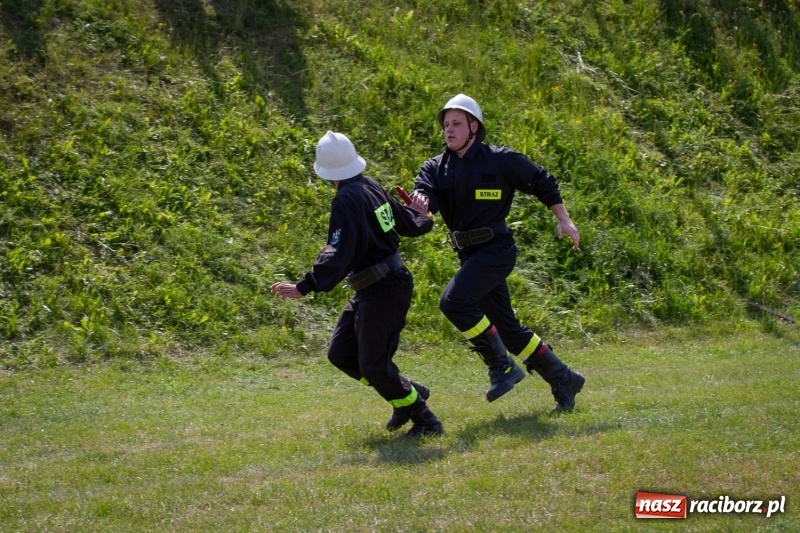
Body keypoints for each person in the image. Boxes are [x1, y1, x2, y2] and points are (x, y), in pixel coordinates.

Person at [409, 94, 585, 412]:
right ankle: (563, 377)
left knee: (453, 302)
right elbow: (425, 195)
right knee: (508, 330)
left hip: (497, 250)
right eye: (446, 124)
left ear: (473, 127)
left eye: (456, 124)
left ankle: (501, 366)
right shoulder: (435, 167)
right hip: (469, 255)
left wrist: (564, 219)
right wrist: (420, 202)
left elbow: (542, 181)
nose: (449, 130)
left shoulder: (500, 160)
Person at [270, 131, 444, 437]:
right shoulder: (368, 186)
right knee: (342, 353)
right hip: (373, 288)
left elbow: (338, 253)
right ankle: (406, 394)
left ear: (325, 171)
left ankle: (425, 419)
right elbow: (406, 221)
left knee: (374, 366)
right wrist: (423, 216)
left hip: (385, 289)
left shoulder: (347, 199)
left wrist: (304, 287)